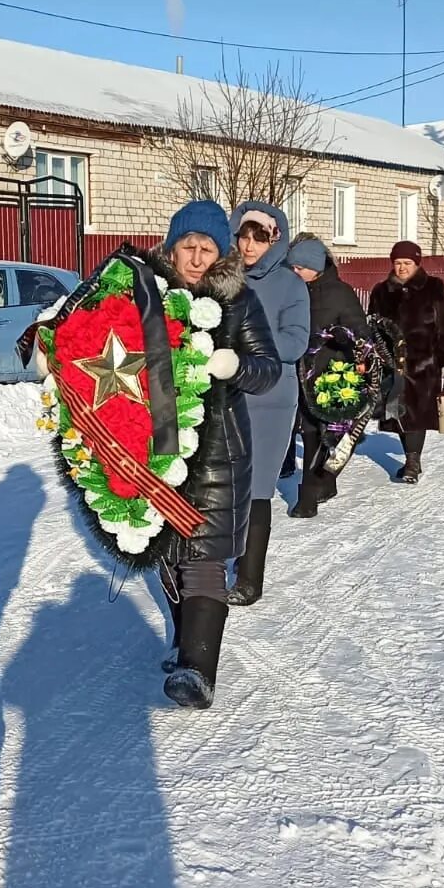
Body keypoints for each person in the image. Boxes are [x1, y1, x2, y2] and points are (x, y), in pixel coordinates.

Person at [143, 201, 281, 707]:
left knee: (203, 556)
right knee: (161, 551)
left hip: (220, 446)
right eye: (188, 247)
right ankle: (185, 641)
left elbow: (268, 368)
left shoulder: (239, 300)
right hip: (152, 445)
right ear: (171, 246)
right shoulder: (145, 292)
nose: (197, 258)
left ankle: (197, 669)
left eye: (207, 249)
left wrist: (234, 364)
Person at [226, 202, 309, 608]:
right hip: (228, 393)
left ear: (275, 240)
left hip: (271, 399)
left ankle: (249, 577)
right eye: (244, 235)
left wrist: (246, 344)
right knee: (228, 484)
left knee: (257, 486)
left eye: (260, 237)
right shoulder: (224, 280)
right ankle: (225, 555)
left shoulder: (291, 286)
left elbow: (295, 342)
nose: (249, 244)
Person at [285, 235, 370, 518]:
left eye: (299, 268)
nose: (294, 272)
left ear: (315, 266)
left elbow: (361, 332)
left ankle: (307, 497)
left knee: (315, 435)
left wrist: (342, 339)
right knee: (307, 432)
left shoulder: (340, 293)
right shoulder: (293, 289)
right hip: (296, 370)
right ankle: (325, 482)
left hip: (327, 374)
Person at [369, 241, 444, 485]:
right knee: (396, 413)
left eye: (407, 263)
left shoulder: (433, 288)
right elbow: (373, 327)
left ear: (417, 264)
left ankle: (412, 462)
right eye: (397, 263)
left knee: (416, 414)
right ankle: (411, 457)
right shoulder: (381, 291)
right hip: (391, 364)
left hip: (423, 363)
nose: (401, 268)